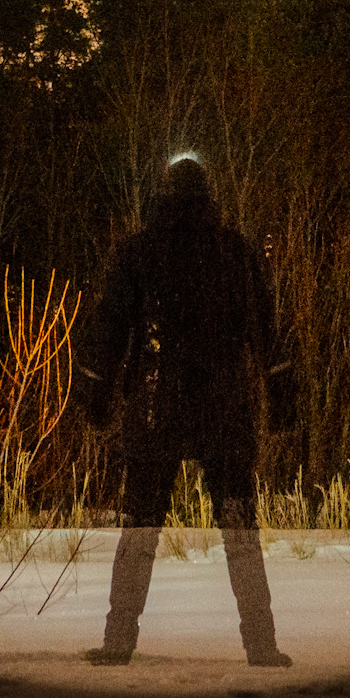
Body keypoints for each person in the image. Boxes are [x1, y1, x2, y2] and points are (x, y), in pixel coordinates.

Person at [74, 154, 298, 666]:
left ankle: (118, 643)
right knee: (240, 526)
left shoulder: (138, 252)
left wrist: (96, 398)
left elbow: (108, 333)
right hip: (225, 408)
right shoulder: (237, 252)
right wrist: (282, 401)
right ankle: (261, 645)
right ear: (208, 194)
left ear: (165, 192)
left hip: (156, 408)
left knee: (140, 526)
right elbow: (270, 331)